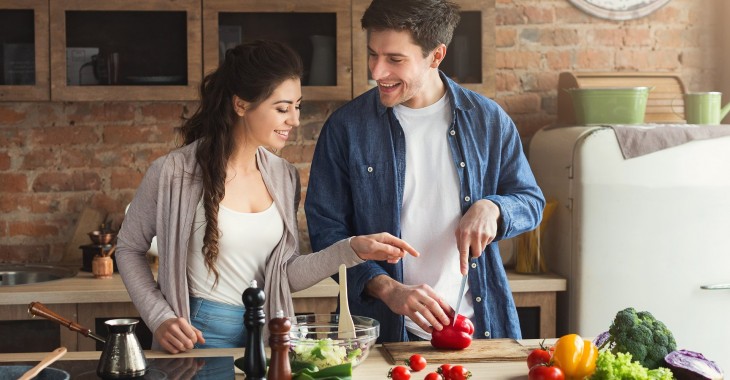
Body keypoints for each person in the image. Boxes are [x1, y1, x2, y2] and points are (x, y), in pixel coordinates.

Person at [116, 40, 418, 354]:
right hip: (197, 336)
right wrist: (159, 316)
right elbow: (128, 248)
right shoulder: (172, 173)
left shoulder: (284, 176)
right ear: (241, 105)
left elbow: (284, 274)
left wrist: (352, 249)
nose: (295, 120)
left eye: (297, 106)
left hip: (268, 336)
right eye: (282, 108)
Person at [304, 0, 545, 343]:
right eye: (373, 54)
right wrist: (388, 288)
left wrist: (492, 207)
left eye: (395, 60)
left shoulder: (488, 120)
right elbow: (327, 233)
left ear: (436, 55)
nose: (376, 72)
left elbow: (531, 201)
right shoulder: (346, 128)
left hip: (479, 330)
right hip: (385, 335)